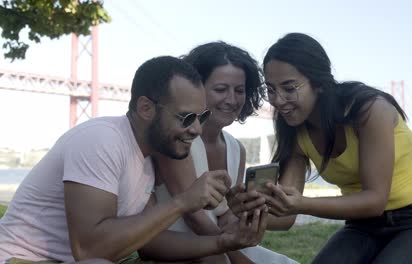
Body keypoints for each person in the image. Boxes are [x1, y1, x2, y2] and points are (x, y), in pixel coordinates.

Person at [0, 56, 268, 264]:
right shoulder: (101, 140)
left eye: (201, 117)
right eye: (186, 118)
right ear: (145, 108)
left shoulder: (150, 153)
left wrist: (225, 242)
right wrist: (182, 202)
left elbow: (148, 241)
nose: (196, 129)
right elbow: (89, 249)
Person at [227, 33, 412, 263]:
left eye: (289, 88)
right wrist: (247, 210)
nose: (278, 100)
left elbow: (375, 200)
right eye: (271, 89)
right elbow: (286, 215)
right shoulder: (295, 128)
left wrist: (304, 203)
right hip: (363, 227)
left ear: (318, 83)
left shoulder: (369, 110)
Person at [154, 42, 298, 264]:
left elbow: (224, 216)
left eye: (239, 90)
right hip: (181, 250)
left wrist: (247, 220)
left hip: (218, 244)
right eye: (221, 89)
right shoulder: (178, 139)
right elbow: (196, 220)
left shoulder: (235, 149)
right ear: (196, 88)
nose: (232, 100)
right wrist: (237, 256)